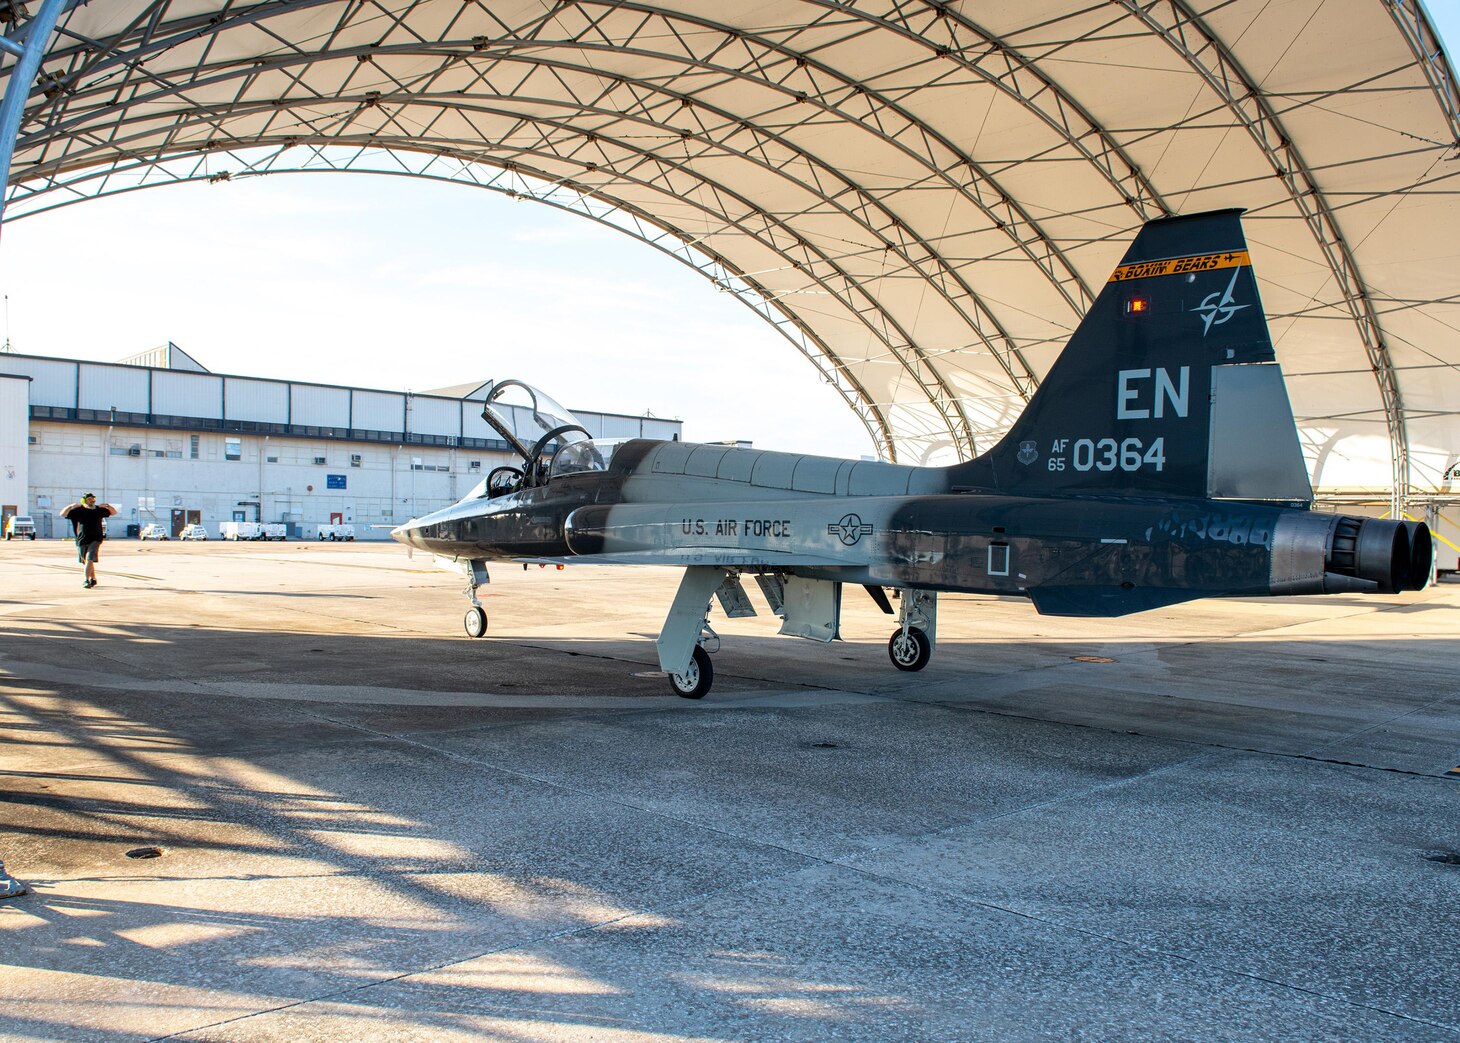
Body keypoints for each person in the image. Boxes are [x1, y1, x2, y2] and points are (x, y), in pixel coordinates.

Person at [59, 493, 117, 588]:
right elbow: (62, 514)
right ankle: (93, 579)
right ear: (84, 500)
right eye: (89, 499)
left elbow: (114, 512)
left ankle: (86, 580)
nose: (92, 500)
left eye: (93, 498)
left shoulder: (99, 510)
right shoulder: (79, 510)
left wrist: (107, 506)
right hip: (82, 539)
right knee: (86, 561)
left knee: (89, 558)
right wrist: (70, 506)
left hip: (96, 538)